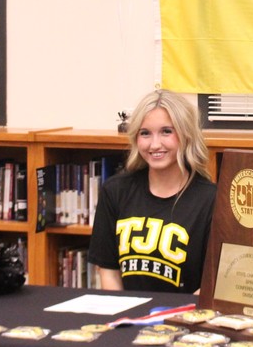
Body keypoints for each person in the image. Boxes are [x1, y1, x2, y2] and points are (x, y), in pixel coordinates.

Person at [88, 89, 216, 294]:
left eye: (166, 131)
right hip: (128, 320)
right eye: (145, 133)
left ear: (186, 135)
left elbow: (212, 286)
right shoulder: (115, 192)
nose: (155, 144)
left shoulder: (212, 200)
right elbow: (109, 272)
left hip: (184, 319)